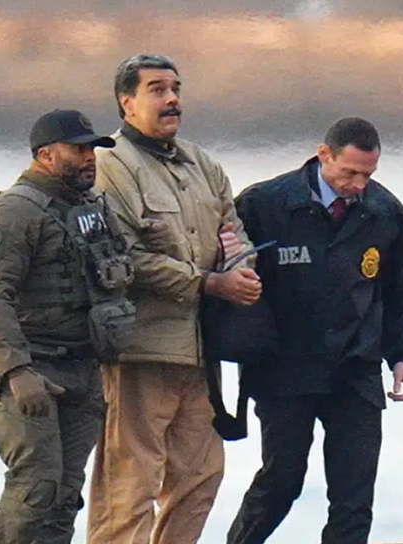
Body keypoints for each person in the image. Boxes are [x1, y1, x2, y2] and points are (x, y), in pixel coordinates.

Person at [225, 117, 403, 544]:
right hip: (284, 367)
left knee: (354, 498)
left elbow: (402, 296)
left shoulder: (385, 213)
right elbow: (225, 280)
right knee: (281, 483)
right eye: (349, 172)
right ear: (324, 156)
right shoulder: (264, 204)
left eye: (368, 174)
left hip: (355, 369)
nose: (358, 184)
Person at [87, 53, 261, 544]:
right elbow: (121, 256)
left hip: (200, 351)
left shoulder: (202, 164)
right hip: (140, 350)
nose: (172, 99)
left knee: (202, 477)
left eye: (176, 88)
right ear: (127, 102)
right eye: (157, 89)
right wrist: (206, 282)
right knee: (129, 486)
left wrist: (241, 272)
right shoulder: (111, 166)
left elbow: (237, 234)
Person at [0, 108, 136, 544]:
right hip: (31, 369)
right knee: (35, 488)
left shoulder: (91, 207)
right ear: (45, 155)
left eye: (92, 149)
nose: (89, 157)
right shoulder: (14, 212)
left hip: (83, 369)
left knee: (63, 497)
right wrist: (18, 371)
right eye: (78, 149)